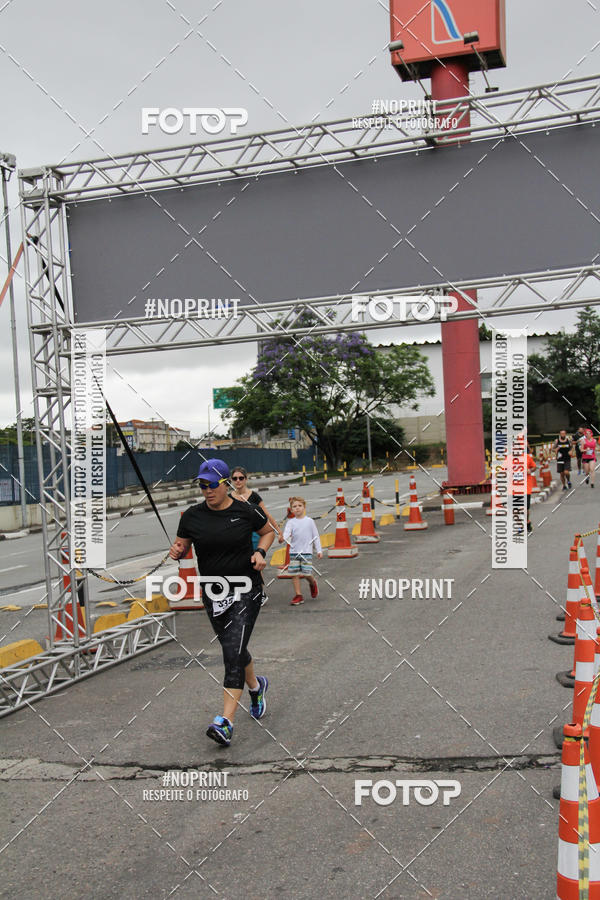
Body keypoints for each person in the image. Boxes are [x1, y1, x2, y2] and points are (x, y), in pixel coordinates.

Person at [169, 459, 274, 747]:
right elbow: (182, 544)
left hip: (246, 589)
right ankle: (256, 687)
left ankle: (225, 722)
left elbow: (268, 531)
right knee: (235, 648)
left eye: (211, 485)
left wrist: (260, 552)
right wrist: (177, 551)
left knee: (232, 652)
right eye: (202, 485)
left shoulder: (245, 510)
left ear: (226, 484)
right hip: (213, 593)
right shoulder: (192, 516)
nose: (206, 490)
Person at [279, 496, 322, 606]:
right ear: (291, 510)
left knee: (306, 573)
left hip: (306, 552)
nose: (297, 508)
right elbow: (286, 533)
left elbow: (315, 536)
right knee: (294, 574)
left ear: (304, 507)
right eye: (294, 506)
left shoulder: (310, 521)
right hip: (294, 552)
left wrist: (319, 550)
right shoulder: (291, 522)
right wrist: (283, 538)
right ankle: (298, 595)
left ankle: (312, 583)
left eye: (299, 506)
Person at [229, 466, 284, 549]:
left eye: (241, 478)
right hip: (236, 538)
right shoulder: (228, 498)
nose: (238, 481)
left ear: (246, 479)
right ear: (231, 480)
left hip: (254, 537)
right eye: (235, 478)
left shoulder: (254, 496)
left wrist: (279, 532)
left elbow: (266, 515)